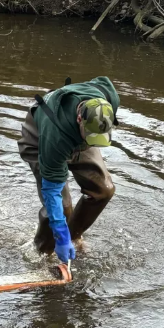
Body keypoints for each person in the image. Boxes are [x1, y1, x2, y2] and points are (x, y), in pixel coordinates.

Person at [18, 76, 120, 263]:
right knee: (62, 208)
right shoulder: (54, 135)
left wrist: (68, 237)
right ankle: (44, 252)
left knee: (103, 190)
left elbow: (102, 80)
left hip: (80, 137)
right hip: (40, 140)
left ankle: (73, 237)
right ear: (80, 118)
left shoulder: (108, 99)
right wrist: (60, 235)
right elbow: (52, 190)